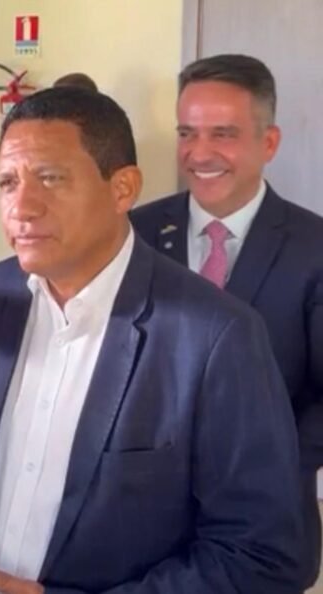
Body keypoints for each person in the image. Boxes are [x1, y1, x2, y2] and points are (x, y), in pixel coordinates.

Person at [0, 87, 305, 594]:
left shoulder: (216, 336)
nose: (22, 207)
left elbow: (263, 553)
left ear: (123, 189)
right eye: (7, 182)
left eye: (51, 178)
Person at [130, 53, 323, 588]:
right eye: (187, 133)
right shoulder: (132, 235)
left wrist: (268, 464)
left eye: (223, 134)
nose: (200, 153)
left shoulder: (314, 248)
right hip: (141, 527)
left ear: (269, 142)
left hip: (260, 528)